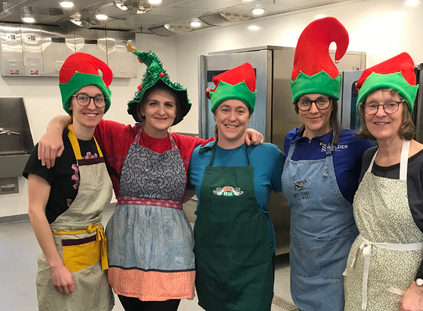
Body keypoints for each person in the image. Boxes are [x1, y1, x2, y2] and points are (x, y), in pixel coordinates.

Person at [37, 44, 263, 311]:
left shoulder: (190, 147)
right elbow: (79, 118)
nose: (161, 111)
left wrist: (249, 134)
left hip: (172, 252)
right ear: (142, 108)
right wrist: (54, 128)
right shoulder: (119, 137)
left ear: (177, 112)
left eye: (169, 105)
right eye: (153, 104)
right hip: (126, 247)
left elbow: (225, 144)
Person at [343, 52, 423, 311]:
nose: (380, 113)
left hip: (407, 287)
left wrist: (419, 287)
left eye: (391, 104)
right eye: (372, 104)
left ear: (405, 109)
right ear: (363, 111)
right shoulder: (369, 157)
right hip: (362, 280)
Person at [281, 17, 372, 311]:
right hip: (302, 260)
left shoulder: (355, 145)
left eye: (322, 100)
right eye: (305, 102)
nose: (314, 109)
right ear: (296, 105)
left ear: (332, 102)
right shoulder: (291, 142)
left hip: (340, 265)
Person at [187, 62, 285, 311]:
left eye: (240, 111)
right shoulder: (199, 155)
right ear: (215, 114)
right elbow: (182, 194)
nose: (232, 117)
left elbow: (293, 194)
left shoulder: (269, 155)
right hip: (210, 261)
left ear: (249, 115)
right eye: (225, 109)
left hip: (254, 263)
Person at [23, 53, 115, 311]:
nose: (91, 105)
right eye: (82, 97)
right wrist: (55, 266)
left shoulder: (103, 141)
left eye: (98, 99)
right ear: (70, 102)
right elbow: (35, 211)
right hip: (62, 256)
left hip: (96, 259)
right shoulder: (50, 148)